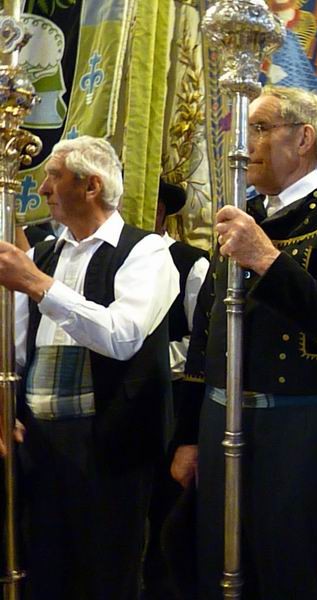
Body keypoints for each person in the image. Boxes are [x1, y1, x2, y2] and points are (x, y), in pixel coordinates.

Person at [169, 85, 317, 599]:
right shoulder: (245, 213)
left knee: (288, 570)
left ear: (304, 137)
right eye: (246, 130)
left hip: (300, 427)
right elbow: (206, 336)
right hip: (220, 419)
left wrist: (268, 260)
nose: (245, 144)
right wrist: (188, 434)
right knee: (218, 568)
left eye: (260, 129)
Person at [0, 136, 178, 600]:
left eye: (54, 176)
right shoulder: (46, 254)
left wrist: (40, 286)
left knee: (105, 573)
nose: (41, 190)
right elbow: (15, 350)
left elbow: (121, 336)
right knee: (44, 567)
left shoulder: (147, 252)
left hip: (109, 443)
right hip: (40, 440)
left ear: (91, 186)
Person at [142, 179, 210, 599]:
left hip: (174, 396)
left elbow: (198, 343)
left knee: (168, 505)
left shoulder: (190, 263)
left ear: (160, 210)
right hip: (126, 401)